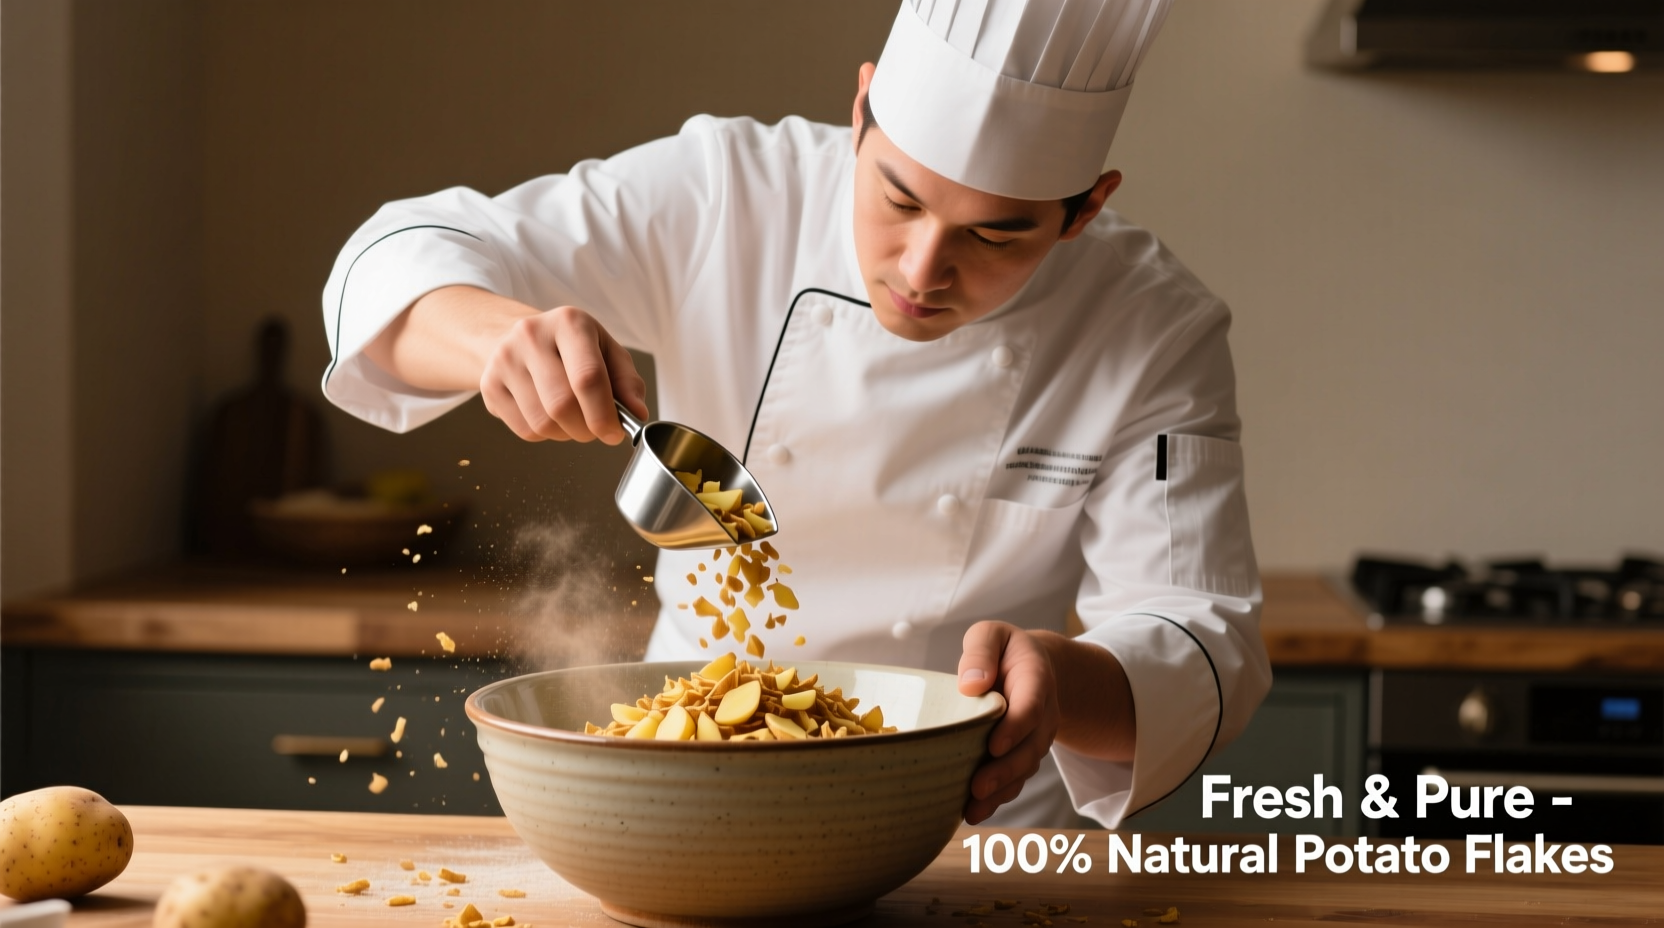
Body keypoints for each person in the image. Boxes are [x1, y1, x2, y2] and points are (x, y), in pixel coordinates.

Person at [321, 0, 1271, 828]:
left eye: (994, 235)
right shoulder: (729, 194)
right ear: (860, 109)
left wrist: (1061, 681)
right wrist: (497, 337)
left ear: (1084, 210)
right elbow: (394, 254)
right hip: (684, 780)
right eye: (897, 197)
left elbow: (1203, 637)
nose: (921, 270)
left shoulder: (1151, 327)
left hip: (969, 822)